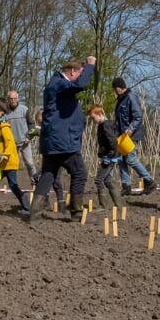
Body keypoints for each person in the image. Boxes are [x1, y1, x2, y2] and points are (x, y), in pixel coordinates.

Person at [28, 57, 96, 221]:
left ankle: (35, 214)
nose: (80, 77)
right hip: (62, 141)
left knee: (48, 174)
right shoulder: (58, 83)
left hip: (55, 140)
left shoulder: (55, 84)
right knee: (79, 173)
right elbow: (79, 85)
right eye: (79, 73)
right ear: (72, 72)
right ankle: (77, 212)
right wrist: (90, 66)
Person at [112, 77, 156, 196]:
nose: (114, 92)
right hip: (122, 136)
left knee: (131, 159)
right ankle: (126, 187)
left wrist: (131, 129)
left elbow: (138, 116)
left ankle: (149, 181)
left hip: (132, 135)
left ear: (118, 88)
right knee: (121, 160)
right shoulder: (121, 100)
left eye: (114, 90)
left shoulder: (131, 98)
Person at [0, 115, 31, 215]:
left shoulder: (4, 128)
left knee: (13, 185)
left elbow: (10, 143)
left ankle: (27, 208)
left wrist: (4, 155)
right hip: (1, 163)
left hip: (8, 163)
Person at [88, 105, 125, 211]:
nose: (92, 120)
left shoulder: (106, 125)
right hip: (110, 156)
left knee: (99, 180)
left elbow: (113, 141)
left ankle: (104, 205)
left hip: (109, 157)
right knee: (108, 180)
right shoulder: (104, 125)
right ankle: (119, 204)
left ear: (100, 114)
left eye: (93, 117)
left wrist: (109, 156)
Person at [3, 90, 39, 185]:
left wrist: (29, 136)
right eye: (11, 99)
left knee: (30, 163)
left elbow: (32, 125)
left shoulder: (24, 109)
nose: (13, 100)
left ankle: (35, 180)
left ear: (17, 99)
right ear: (8, 100)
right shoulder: (5, 112)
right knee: (12, 165)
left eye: (15, 98)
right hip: (12, 143)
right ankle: (12, 184)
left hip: (24, 141)